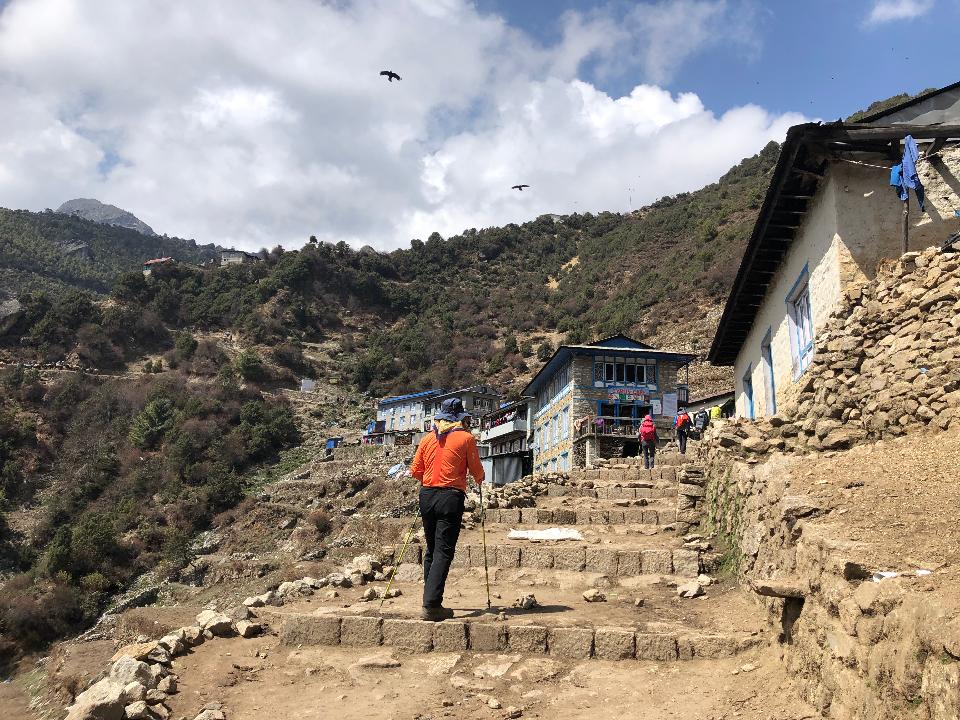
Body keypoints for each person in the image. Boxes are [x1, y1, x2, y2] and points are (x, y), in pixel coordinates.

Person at [410, 397, 485, 621]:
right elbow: (477, 471)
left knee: (432, 549)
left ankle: (430, 598)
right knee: (443, 550)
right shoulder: (466, 438)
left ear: (440, 418)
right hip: (450, 497)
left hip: (427, 495)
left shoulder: (426, 439)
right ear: (459, 418)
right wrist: (479, 479)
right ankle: (431, 605)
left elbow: (415, 471)